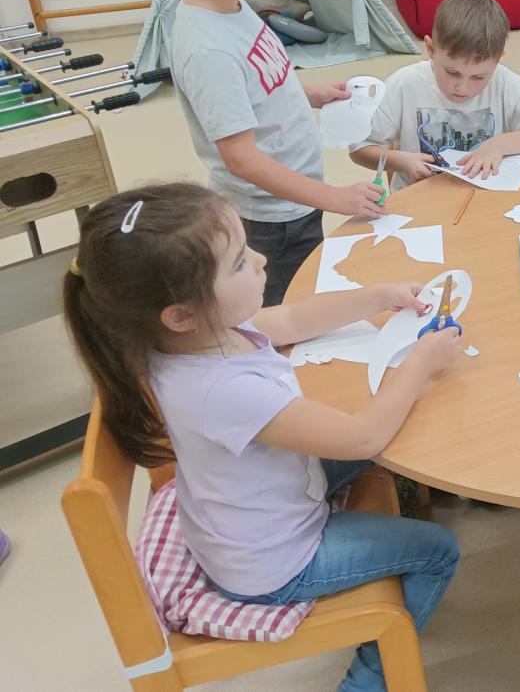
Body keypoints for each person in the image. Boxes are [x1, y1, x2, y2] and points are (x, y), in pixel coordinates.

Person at [64, 183, 461, 692]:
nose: (260, 260)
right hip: (277, 565)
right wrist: (420, 366)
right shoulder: (221, 389)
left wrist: (380, 296)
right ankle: (369, 681)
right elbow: (362, 438)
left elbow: (292, 319)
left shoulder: (193, 337)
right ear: (180, 314)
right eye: (238, 263)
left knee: (397, 438)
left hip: (255, 507)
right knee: (437, 549)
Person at [168, 0, 384, 305]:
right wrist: (332, 197)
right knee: (285, 311)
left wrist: (310, 93)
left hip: (293, 200)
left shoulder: (233, 4)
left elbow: (258, 83)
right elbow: (243, 159)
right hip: (270, 218)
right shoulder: (208, 50)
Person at [350, 0, 520, 191]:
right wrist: (400, 162)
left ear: (498, 59)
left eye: (478, 77)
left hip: (485, 199)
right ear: (430, 49)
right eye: (452, 72)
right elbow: (360, 149)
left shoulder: (503, 82)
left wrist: (500, 144)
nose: (463, 88)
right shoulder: (403, 84)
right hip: (420, 199)